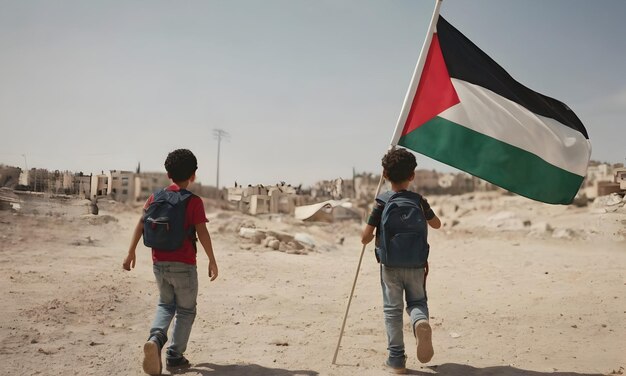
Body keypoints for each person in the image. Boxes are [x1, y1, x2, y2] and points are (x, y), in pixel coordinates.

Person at [122, 149, 218, 375]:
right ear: (193, 175)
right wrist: (212, 260)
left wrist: (131, 252)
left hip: (159, 263)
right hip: (184, 264)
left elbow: (141, 222)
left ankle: (155, 340)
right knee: (185, 310)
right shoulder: (193, 202)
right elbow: (202, 233)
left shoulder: (155, 197)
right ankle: (174, 356)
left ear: (168, 174)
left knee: (165, 304)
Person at [361, 148, 441, 374]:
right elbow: (437, 225)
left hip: (390, 265)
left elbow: (364, 238)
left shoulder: (382, 202)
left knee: (392, 310)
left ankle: (396, 360)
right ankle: (419, 322)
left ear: (384, 175)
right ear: (412, 175)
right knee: (417, 302)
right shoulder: (419, 200)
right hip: (416, 263)